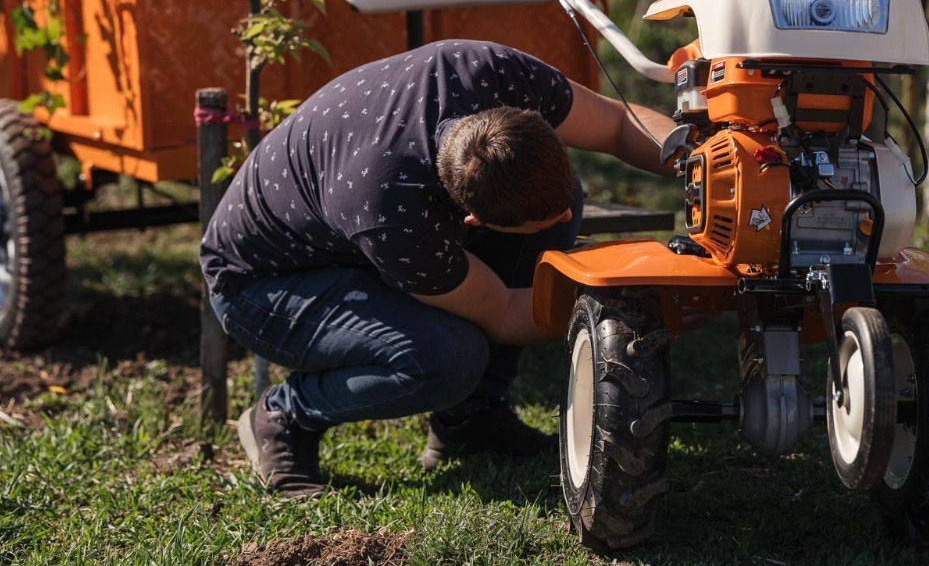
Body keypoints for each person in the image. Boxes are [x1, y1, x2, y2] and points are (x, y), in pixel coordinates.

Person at [200, 39, 676, 496]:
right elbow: (504, 311)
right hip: (263, 283)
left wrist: (704, 164)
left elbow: (617, 123)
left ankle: (471, 419)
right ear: (473, 222)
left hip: (346, 231)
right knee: (447, 357)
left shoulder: (492, 74)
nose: (570, 217)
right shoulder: (394, 215)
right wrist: (637, 311)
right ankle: (284, 415)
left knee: (554, 210)